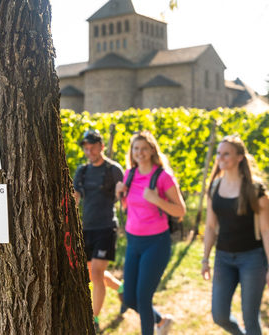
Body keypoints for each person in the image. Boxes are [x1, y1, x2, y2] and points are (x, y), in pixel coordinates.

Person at [201, 134, 269, 335]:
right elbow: (210, 227)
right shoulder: (215, 187)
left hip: (252, 259)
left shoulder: (255, 190)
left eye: (226, 154)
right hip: (223, 258)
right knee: (219, 315)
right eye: (219, 154)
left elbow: (266, 231)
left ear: (240, 157)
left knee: (250, 318)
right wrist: (205, 259)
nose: (221, 158)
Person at [115, 131, 186, 335]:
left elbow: (180, 211)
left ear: (152, 150)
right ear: (132, 151)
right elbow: (129, 205)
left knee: (143, 297)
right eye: (136, 148)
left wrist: (157, 200)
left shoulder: (163, 176)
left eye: (144, 148)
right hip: (133, 242)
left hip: (156, 243)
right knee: (129, 298)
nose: (140, 152)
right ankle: (162, 322)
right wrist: (119, 193)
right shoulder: (129, 175)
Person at [73, 129, 124, 334]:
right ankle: (122, 289)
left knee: (95, 273)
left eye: (92, 147)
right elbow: (75, 197)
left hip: (106, 227)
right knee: (93, 273)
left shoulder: (113, 169)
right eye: (86, 148)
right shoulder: (82, 171)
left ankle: (93, 319)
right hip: (86, 228)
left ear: (101, 146)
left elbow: (122, 193)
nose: (89, 151)